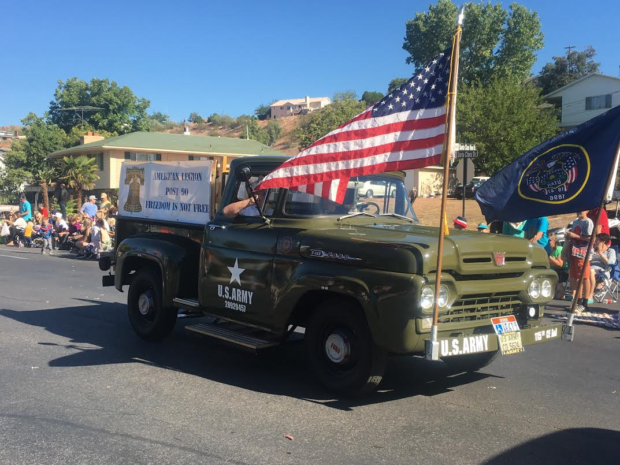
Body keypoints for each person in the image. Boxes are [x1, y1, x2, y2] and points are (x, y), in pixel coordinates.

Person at [566, 210, 594, 311]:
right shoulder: (575, 221)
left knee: (584, 277)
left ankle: (585, 302)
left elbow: (591, 239)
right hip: (574, 252)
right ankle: (578, 300)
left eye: (582, 210)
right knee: (575, 278)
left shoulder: (588, 222)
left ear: (587, 211)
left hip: (583, 253)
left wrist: (575, 236)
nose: (579, 211)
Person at [589, 233, 617, 302]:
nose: (595, 241)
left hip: (603, 271)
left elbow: (611, 263)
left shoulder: (610, 251)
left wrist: (601, 253)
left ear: (603, 242)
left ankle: (590, 295)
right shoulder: (593, 249)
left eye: (597, 240)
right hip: (590, 268)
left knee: (591, 271)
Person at [548, 233, 567, 299]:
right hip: (551, 269)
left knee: (558, 296)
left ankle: (560, 290)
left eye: (549, 240)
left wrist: (549, 257)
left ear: (554, 241)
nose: (548, 242)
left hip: (561, 271)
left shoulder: (559, 249)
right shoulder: (549, 250)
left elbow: (560, 264)